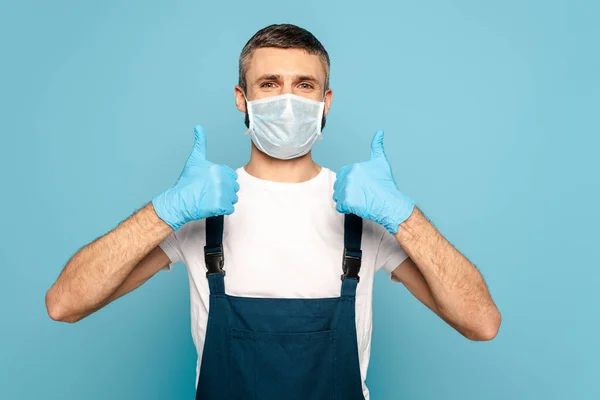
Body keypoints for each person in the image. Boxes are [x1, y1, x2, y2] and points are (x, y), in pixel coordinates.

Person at [46, 24, 501, 400]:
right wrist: (164, 211)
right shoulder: (202, 211)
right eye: (269, 84)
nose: (288, 101)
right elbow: (65, 303)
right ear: (242, 99)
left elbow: (481, 323)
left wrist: (403, 216)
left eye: (304, 85)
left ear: (326, 102)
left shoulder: (362, 213)